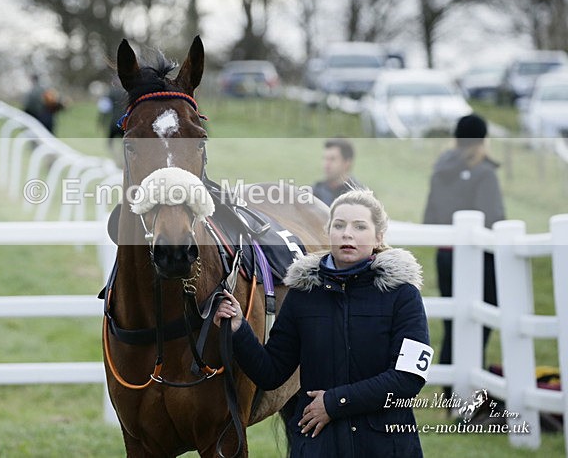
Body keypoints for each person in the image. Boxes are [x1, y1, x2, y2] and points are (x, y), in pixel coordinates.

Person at [215, 189, 431, 457]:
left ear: (378, 237)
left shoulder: (403, 295)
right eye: (339, 225)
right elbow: (271, 373)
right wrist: (239, 329)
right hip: (318, 446)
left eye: (359, 227)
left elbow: (408, 379)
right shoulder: (303, 294)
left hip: (386, 447)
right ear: (328, 232)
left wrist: (333, 403)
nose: (347, 234)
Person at [423, 113, 504, 398]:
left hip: (445, 256)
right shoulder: (484, 173)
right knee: (480, 321)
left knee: (453, 323)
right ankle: (467, 392)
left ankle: (451, 392)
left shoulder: (441, 169)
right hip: (480, 257)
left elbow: (430, 218)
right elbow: (494, 218)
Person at [312, 138, 360, 206]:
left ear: (347, 163)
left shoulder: (358, 197)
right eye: (325, 158)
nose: (326, 164)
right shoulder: (314, 193)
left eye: (332, 159)